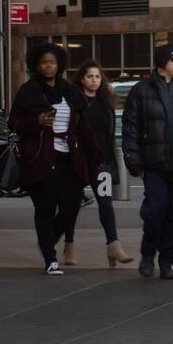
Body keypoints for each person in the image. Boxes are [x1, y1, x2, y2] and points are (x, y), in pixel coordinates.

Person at [8, 43, 101, 275]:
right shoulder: (29, 91)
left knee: (70, 208)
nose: (48, 66)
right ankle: (50, 258)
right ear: (36, 66)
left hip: (69, 157)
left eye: (52, 62)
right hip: (40, 158)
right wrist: (36, 122)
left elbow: (84, 127)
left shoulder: (70, 91)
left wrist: (97, 155)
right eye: (43, 62)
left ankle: (47, 240)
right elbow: (14, 124)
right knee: (44, 209)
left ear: (59, 64)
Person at [122, 44, 173, 280]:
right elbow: (131, 127)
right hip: (155, 165)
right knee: (155, 210)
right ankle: (148, 253)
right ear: (162, 62)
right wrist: (133, 159)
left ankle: (167, 260)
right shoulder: (141, 90)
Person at [64, 60, 133, 267]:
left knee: (106, 202)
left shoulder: (106, 103)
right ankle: (69, 245)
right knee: (72, 204)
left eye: (97, 76)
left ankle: (113, 245)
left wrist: (110, 160)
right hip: (77, 162)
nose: (94, 80)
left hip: (100, 162)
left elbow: (109, 134)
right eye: (89, 76)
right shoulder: (74, 102)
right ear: (82, 79)